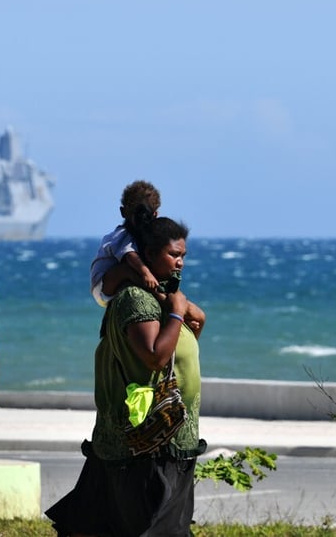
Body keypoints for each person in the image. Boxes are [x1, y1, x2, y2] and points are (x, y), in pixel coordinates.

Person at [47, 216, 206, 537]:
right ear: (147, 254)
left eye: (183, 256)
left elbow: (175, 354)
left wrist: (187, 315)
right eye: (173, 254)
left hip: (172, 439)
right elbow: (153, 357)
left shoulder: (162, 296)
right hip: (147, 445)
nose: (180, 262)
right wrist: (177, 311)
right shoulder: (136, 299)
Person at [89, 180, 162, 308]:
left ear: (155, 215)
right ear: (124, 213)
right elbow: (129, 255)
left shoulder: (144, 237)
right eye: (137, 216)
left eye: (146, 216)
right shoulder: (122, 235)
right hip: (102, 286)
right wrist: (146, 273)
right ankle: (162, 299)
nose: (141, 222)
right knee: (128, 270)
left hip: (116, 287)